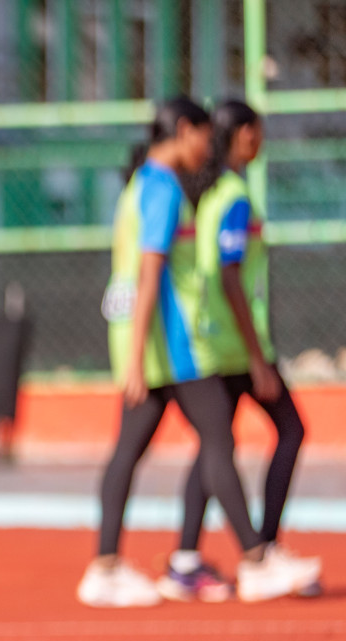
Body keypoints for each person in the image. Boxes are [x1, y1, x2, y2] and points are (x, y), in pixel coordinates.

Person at [80, 97, 317, 608]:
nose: (209, 148)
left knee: (133, 451)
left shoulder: (142, 185)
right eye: (204, 137)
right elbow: (150, 273)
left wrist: (133, 350)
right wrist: (139, 355)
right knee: (215, 441)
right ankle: (254, 559)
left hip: (154, 344)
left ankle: (111, 565)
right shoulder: (163, 187)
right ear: (184, 131)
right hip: (174, 345)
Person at [158, 100, 320, 602]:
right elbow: (229, 275)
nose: (262, 141)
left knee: (215, 445)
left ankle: (187, 557)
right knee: (290, 429)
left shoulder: (211, 195)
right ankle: (262, 550)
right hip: (233, 345)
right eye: (258, 132)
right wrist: (255, 354)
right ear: (243, 135)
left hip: (219, 340)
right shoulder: (230, 195)